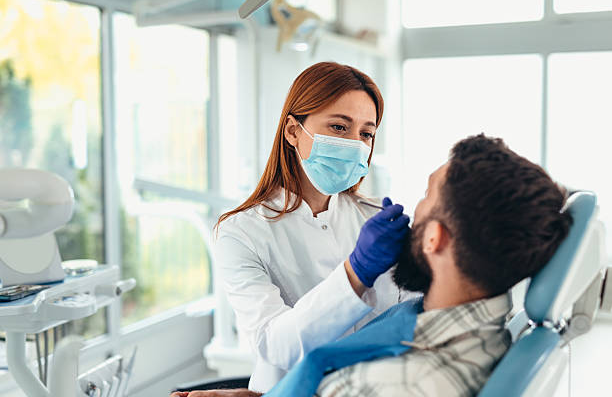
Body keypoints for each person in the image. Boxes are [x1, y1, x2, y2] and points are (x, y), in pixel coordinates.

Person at [171, 134, 572, 397]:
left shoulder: (394, 384)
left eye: (426, 195)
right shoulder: (483, 330)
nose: (415, 210)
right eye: (339, 128)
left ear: (434, 238)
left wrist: (358, 272)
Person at [212, 62, 413, 392]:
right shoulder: (240, 232)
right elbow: (276, 346)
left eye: (366, 133)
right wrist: (356, 272)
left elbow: (415, 318)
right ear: (293, 131)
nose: (355, 144)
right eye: (339, 127)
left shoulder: (377, 219)